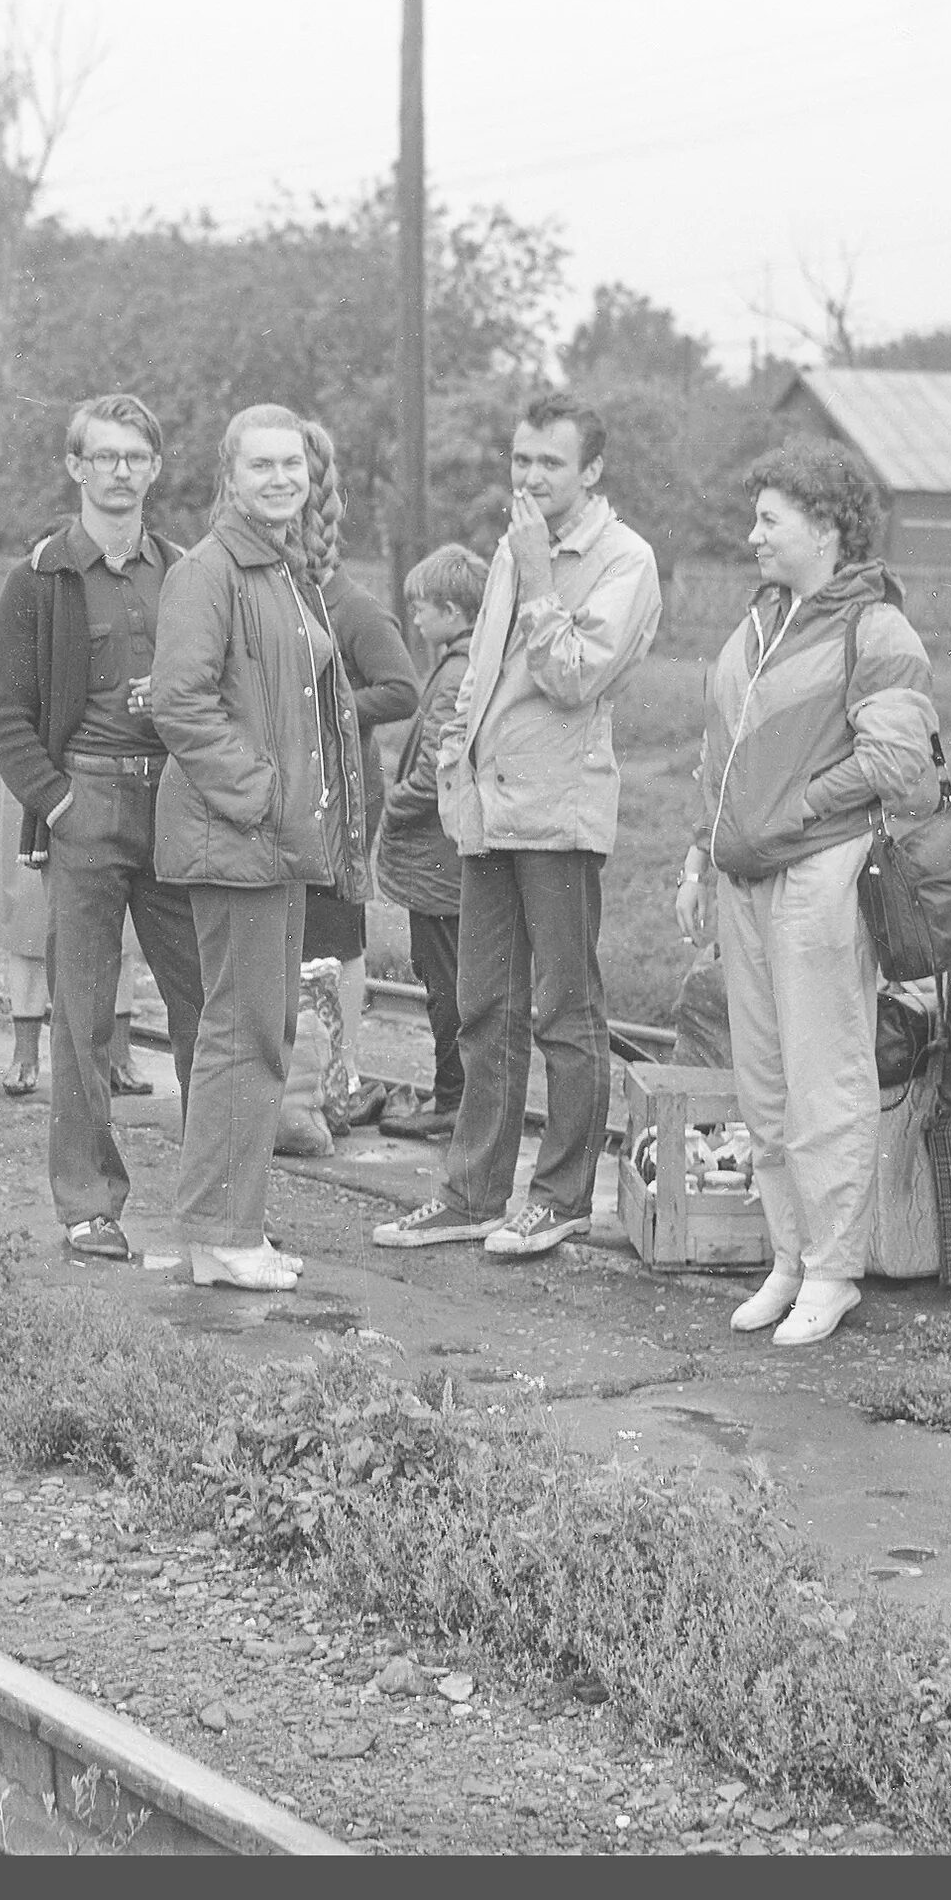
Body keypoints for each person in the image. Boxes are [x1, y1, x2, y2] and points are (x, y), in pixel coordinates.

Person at [372, 391, 663, 1260]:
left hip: (559, 813)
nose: (531, 476)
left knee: (564, 1008)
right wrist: (457, 768)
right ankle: (471, 1191)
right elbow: (482, 671)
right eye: (521, 460)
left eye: (551, 463)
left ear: (593, 470)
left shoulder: (624, 560)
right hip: (490, 809)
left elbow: (573, 677)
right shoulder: (513, 542)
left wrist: (539, 573)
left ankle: (563, 1196)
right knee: (483, 1002)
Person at [675, 442, 941, 1347]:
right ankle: (787, 1257)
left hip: (822, 873)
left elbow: (898, 763)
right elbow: (716, 760)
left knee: (825, 1076)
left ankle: (835, 1269)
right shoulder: (754, 630)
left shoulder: (877, 630)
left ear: (826, 529)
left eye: (769, 520)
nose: (752, 535)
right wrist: (694, 861)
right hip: (744, 878)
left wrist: (800, 809)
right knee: (764, 1080)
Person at [0, 394, 208, 1262]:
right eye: (103, 456)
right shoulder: (40, 577)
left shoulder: (185, 571)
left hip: (176, 808)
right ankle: (89, 1204)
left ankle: (212, 1204)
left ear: (155, 468)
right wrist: (60, 800)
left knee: (201, 1009)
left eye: (135, 457)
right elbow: (1, 713)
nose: (120, 471)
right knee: (83, 1015)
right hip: (88, 805)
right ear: (76, 468)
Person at [148, 404, 366, 1292]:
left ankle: (220, 1232)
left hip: (273, 844)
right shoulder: (211, 572)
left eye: (293, 466)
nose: (281, 479)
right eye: (262, 466)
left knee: (256, 1030)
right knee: (245, 1035)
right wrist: (268, 796)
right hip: (240, 839)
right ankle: (225, 1232)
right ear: (229, 478)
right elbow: (180, 702)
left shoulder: (282, 569)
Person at [0, 605, 153, 1100]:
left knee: (118, 921)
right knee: (27, 921)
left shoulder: (107, 608)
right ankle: (24, 1055)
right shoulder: (8, 615)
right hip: (27, 783)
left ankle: (121, 1057)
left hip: (101, 779)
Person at [298, 421, 419, 1133]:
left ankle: (341, 1077)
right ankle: (303, 1077)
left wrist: (327, 711)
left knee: (337, 933)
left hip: (341, 796)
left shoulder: (350, 603)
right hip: (280, 794)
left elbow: (401, 688)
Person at [373, 543, 487, 1141]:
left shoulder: (455, 671)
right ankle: (458, 1097)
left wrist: (389, 806)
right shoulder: (460, 661)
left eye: (422, 608)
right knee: (448, 980)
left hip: (438, 864)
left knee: (445, 985)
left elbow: (438, 764)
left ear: (451, 609)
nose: (414, 618)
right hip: (446, 864)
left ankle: (451, 1101)